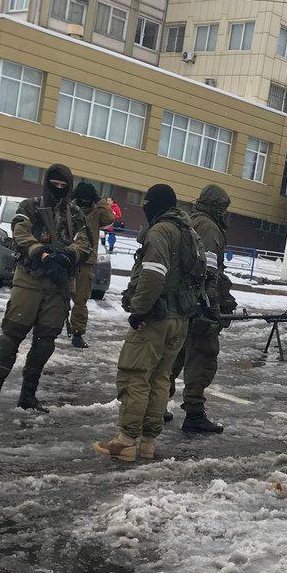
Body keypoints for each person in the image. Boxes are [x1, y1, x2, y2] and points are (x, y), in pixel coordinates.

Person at [94, 183, 202, 462]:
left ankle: (127, 440)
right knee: (159, 379)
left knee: (135, 375)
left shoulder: (160, 231)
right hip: (180, 319)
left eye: (147, 203)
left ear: (155, 205)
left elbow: (153, 274)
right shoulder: (188, 231)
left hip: (156, 317)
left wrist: (139, 310)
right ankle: (148, 443)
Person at [0, 164, 89, 414]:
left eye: (63, 185)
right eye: (54, 183)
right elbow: (20, 231)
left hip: (58, 285)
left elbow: (84, 241)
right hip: (30, 279)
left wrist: (69, 255)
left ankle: (28, 395)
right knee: (11, 335)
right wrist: (41, 253)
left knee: (45, 341)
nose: (58, 188)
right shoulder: (30, 206)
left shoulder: (75, 213)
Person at [169, 184, 238, 434]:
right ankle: (194, 413)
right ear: (216, 208)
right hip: (200, 305)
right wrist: (214, 306)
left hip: (184, 302)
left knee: (174, 355)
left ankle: (154, 405)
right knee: (202, 357)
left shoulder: (192, 220)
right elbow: (208, 270)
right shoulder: (209, 227)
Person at [69, 180, 118, 349]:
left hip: (86, 260)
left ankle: (77, 332)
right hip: (66, 257)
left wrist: (99, 201)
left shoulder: (97, 212)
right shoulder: (69, 207)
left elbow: (110, 218)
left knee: (81, 299)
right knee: (56, 295)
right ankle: (49, 328)